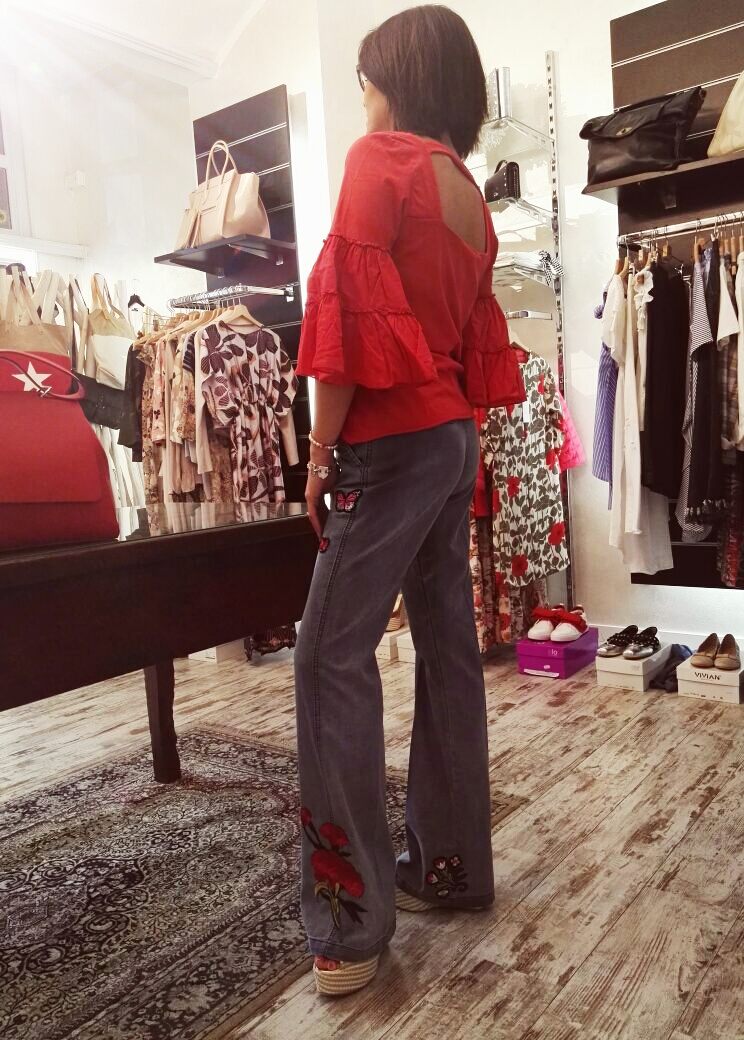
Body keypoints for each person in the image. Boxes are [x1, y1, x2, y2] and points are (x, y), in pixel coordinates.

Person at [294, 4, 523, 997]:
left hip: (390, 441)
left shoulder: (379, 161)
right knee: (447, 647)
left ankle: (350, 924)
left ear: (397, 79)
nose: (364, 101)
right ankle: (450, 867)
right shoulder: (466, 189)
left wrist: (318, 449)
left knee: (327, 653)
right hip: (450, 439)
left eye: (366, 83)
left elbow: (344, 321)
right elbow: (462, 336)